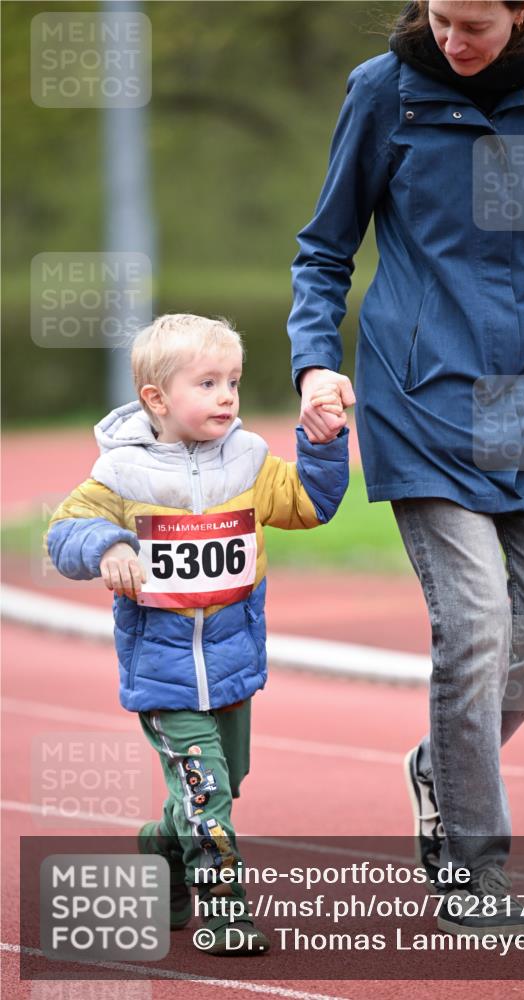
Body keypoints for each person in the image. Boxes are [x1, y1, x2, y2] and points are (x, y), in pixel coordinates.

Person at [288, 0, 524, 938]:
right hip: (416, 390)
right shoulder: (385, 93)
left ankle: (440, 767)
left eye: (475, 25)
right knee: (475, 624)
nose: (453, 39)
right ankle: (471, 863)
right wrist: (312, 359)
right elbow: (324, 249)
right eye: (440, 17)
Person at [46, 313, 349, 956]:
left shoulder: (249, 460)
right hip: (164, 676)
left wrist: (323, 442)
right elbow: (64, 532)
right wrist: (105, 548)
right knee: (208, 793)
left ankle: (160, 847)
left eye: (232, 382)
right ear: (156, 398)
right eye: (207, 383)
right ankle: (226, 913)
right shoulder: (121, 473)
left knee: (221, 782)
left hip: (234, 665)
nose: (226, 397)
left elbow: (312, 504)